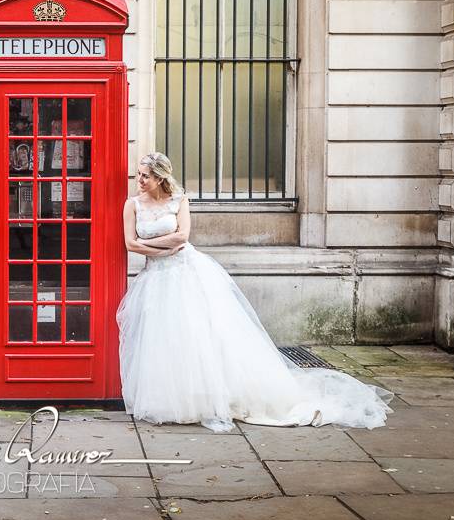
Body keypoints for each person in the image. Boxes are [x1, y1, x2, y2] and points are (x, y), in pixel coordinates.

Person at [117, 152, 394, 432]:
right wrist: (160, 250)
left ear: (160, 177)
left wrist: (152, 245)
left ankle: (209, 396)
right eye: (139, 174)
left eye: (145, 175)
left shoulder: (179, 200)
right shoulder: (133, 205)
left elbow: (182, 237)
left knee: (201, 335)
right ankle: (174, 397)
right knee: (165, 339)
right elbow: (131, 244)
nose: (139, 180)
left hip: (187, 271)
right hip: (156, 276)